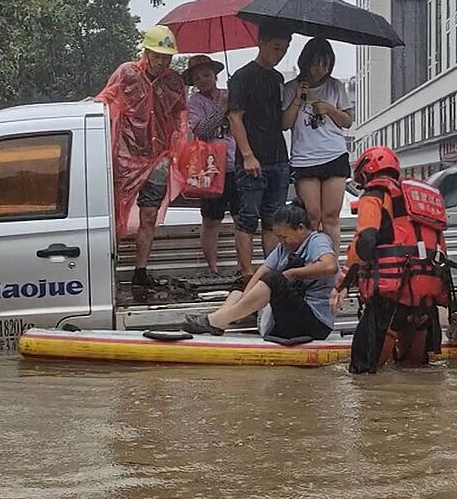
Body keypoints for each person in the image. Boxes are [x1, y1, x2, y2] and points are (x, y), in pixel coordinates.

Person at [331, 146, 451, 374]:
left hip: (391, 297)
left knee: (362, 375)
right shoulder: (422, 200)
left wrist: (343, 284)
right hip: (426, 299)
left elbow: (365, 243)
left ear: (366, 173)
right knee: (418, 374)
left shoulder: (374, 194)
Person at [95, 24, 187, 287]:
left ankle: (140, 271)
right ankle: (106, 268)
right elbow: (107, 98)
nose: (162, 61)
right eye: (157, 55)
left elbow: (181, 117)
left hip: (158, 157)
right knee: (113, 214)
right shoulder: (127, 73)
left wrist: (180, 152)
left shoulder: (173, 82)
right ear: (146, 52)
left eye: (167, 57)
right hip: (126, 156)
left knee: (149, 214)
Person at [182, 201, 338, 339]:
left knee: (275, 279)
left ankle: (217, 320)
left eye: (285, 237)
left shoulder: (317, 241)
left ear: (301, 229)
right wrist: (244, 300)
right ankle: (220, 320)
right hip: (287, 316)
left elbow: (329, 266)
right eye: (279, 237)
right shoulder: (283, 247)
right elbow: (262, 270)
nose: (282, 241)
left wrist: (292, 273)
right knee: (243, 283)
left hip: (313, 323)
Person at [227, 22, 293, 281]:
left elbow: (282, 120)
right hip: (252, 160)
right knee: (247, 218)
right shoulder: (242, 77)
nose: (280, 53)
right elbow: (235, 118)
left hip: (278, 156)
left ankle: (271, 272)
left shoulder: (278, 78)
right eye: (276, 47)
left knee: (273, 219)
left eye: (285, 49)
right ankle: (246, 273)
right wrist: (247, 155)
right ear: (261, 43)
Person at [282, 38, 354, 252]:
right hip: (305, 158)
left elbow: (348, 121)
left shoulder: (335, 86)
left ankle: (331, 262)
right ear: (305, 62)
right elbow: (284, 124)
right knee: (311, 216)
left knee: (331, 216)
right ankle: (312, 259)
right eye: (315, 63)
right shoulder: (291, 88)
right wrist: (297, 99)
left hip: (333, 154)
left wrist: (329, 109)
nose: (319, 69)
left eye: (325, 64)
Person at [185, 54, 239, 274]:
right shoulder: (194, 103)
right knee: (210, 220)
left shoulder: (231, 94)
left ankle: (242, 265)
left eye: (206, 75)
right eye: (197, 78)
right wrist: (220, 110)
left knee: (241, 218)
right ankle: (213, 268)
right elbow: (202, 132)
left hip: (236, 165)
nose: (203, 80)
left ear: (215, 75)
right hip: (209, 168)